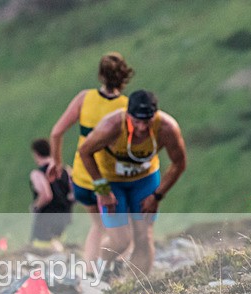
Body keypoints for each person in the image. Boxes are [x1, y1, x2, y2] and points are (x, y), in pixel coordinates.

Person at [78, 89, 187, 275]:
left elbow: (179, 163)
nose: (142, 128)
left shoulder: (167, 128)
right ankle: (102, 267)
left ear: (155, 115)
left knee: (144, 236)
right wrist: (102, 189)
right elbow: (85, 151)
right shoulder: (111, 126)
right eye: (137, 121)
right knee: (120, 241)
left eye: (147, 121)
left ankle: (140, 287)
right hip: (112, 182)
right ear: (128, 115)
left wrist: (157, 196)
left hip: (144, 180)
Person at [48, 52, 135, 271]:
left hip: (81, 177)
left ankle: (88, 272)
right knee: (122, 232)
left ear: (101, 75)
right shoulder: (126, 107)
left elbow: (56, 132)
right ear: (124, 76)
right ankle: (113, 270)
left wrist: (57, 164)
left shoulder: (84, 98)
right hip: (107, 181)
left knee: (97, 226)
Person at [29, 138, 73, 252]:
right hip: (64, 216)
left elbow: (46, 195)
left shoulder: (37, 174)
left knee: (40, 248)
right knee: (59, 242)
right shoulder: (65, 170)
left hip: (46, 218)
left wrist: (35, 206)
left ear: (36, 154)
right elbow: (73, 193)